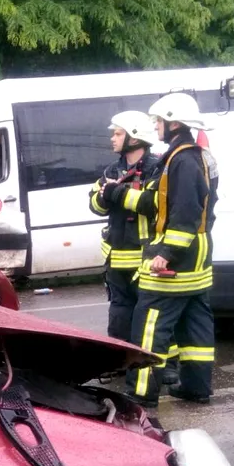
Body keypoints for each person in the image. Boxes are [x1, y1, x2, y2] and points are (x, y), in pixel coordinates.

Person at [122, 92, 219, 408]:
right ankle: (195, 387)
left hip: (177, 259)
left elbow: (185, 211)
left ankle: (141, 393)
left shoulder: (182, 160)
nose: (155, 126)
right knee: (195, 326)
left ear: (173, 123)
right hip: (197, 257)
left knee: (151, 324)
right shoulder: (195, 156)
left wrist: (166, 253)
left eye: (158, 121)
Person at [91, 111, 164, 342]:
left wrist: (118, 193)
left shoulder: (156, 169)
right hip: (116, 261)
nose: (112, 138)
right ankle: (123, 357)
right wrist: (103, 196)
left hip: (145, 260)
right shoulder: (111, 171)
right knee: (119, 319)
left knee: (148, 321)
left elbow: (153, 205)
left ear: (134, 137)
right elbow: (95, 206)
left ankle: (154, 361)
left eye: (118, 134)